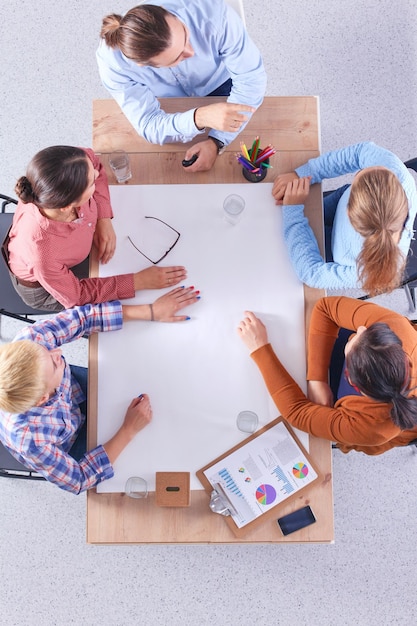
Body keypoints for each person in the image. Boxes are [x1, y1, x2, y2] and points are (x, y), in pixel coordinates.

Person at [0, 286, 199, 493]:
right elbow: (79, 478)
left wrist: (150, 310)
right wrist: (128, 430)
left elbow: (82, 318)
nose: (57, 351)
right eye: (54, 363)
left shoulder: (31, 342)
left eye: (48, 350)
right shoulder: (30, 441)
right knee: (144, 452)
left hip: (72, 391)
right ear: (42, 398)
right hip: (71, 440)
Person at [7, 145, 187, 311]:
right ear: (68, 206)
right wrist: (137, 281)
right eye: (92, 182)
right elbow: (78, 297)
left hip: (63, 260)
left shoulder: (71, 165)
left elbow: (93, 159)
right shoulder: (42, 254)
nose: (95, 173)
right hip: (47, 288)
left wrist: (103, 218)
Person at [96, 1, 267, 173]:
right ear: (142, 64)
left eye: (185, 34)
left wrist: (217, 140)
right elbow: (148, 123)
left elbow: (251, 80)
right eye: (178, 57)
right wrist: (199, 118)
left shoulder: (215, 15)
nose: (191, 52)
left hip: (222, 82)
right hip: (169, 104)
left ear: (165, 12)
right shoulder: (113, 65)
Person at [237, 296, 417, 455]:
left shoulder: (372, 428)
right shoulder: (395, 328)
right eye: (368, 332)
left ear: (352, 381)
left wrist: (260, 348)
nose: (361, 328)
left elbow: (296, 413)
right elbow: (325, 308)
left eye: (357, 337)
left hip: (363, 425)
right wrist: (317, 379)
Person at [272, 142, 417, 295]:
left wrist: (293, 210)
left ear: (349, 211)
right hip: (338, 207)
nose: (372, 166)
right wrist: (303, 174)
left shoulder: (374, 268)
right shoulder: (392, 172)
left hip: (330, 250)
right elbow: (359, 153)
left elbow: (312, 273)